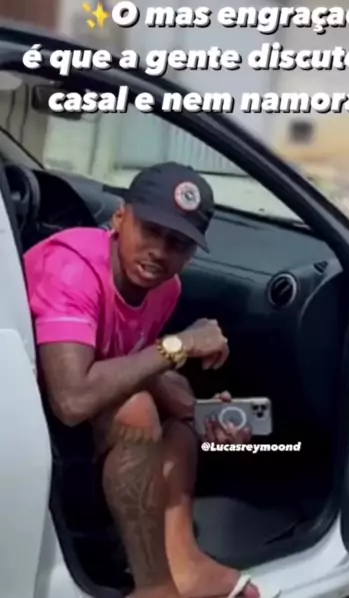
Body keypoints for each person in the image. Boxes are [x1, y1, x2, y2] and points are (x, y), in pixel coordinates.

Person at [25, 162, 267, 598]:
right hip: (26, 407)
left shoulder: (164, 288)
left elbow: (139, 364)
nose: (159, 251)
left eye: (177, 242)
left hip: (68, 408)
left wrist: (198, 412)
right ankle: (155, 588)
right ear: (120, 217)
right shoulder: (74, 268)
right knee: (135, 411)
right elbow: (72, 399)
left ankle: (184, 564)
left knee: (181, 426)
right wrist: (180, 344)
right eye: (150, 230)